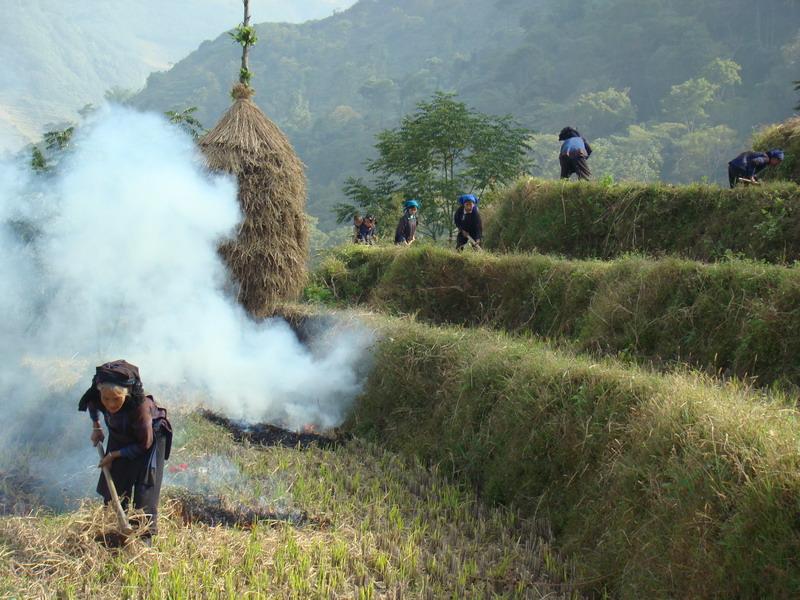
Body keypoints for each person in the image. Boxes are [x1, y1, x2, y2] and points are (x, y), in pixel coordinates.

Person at [78, 360, 172, 541]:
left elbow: (144, 444)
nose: (110, 404)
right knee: (115, 479)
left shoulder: (140, 409)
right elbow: (92, 403)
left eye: (116, 399)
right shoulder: (98, 396)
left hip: (150, 437)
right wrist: (96, 426)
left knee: (145, 488)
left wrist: (114, 454)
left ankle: (144, 540)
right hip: (121, 431)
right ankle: (114, 528)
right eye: (106, 399)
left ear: (127, 395)